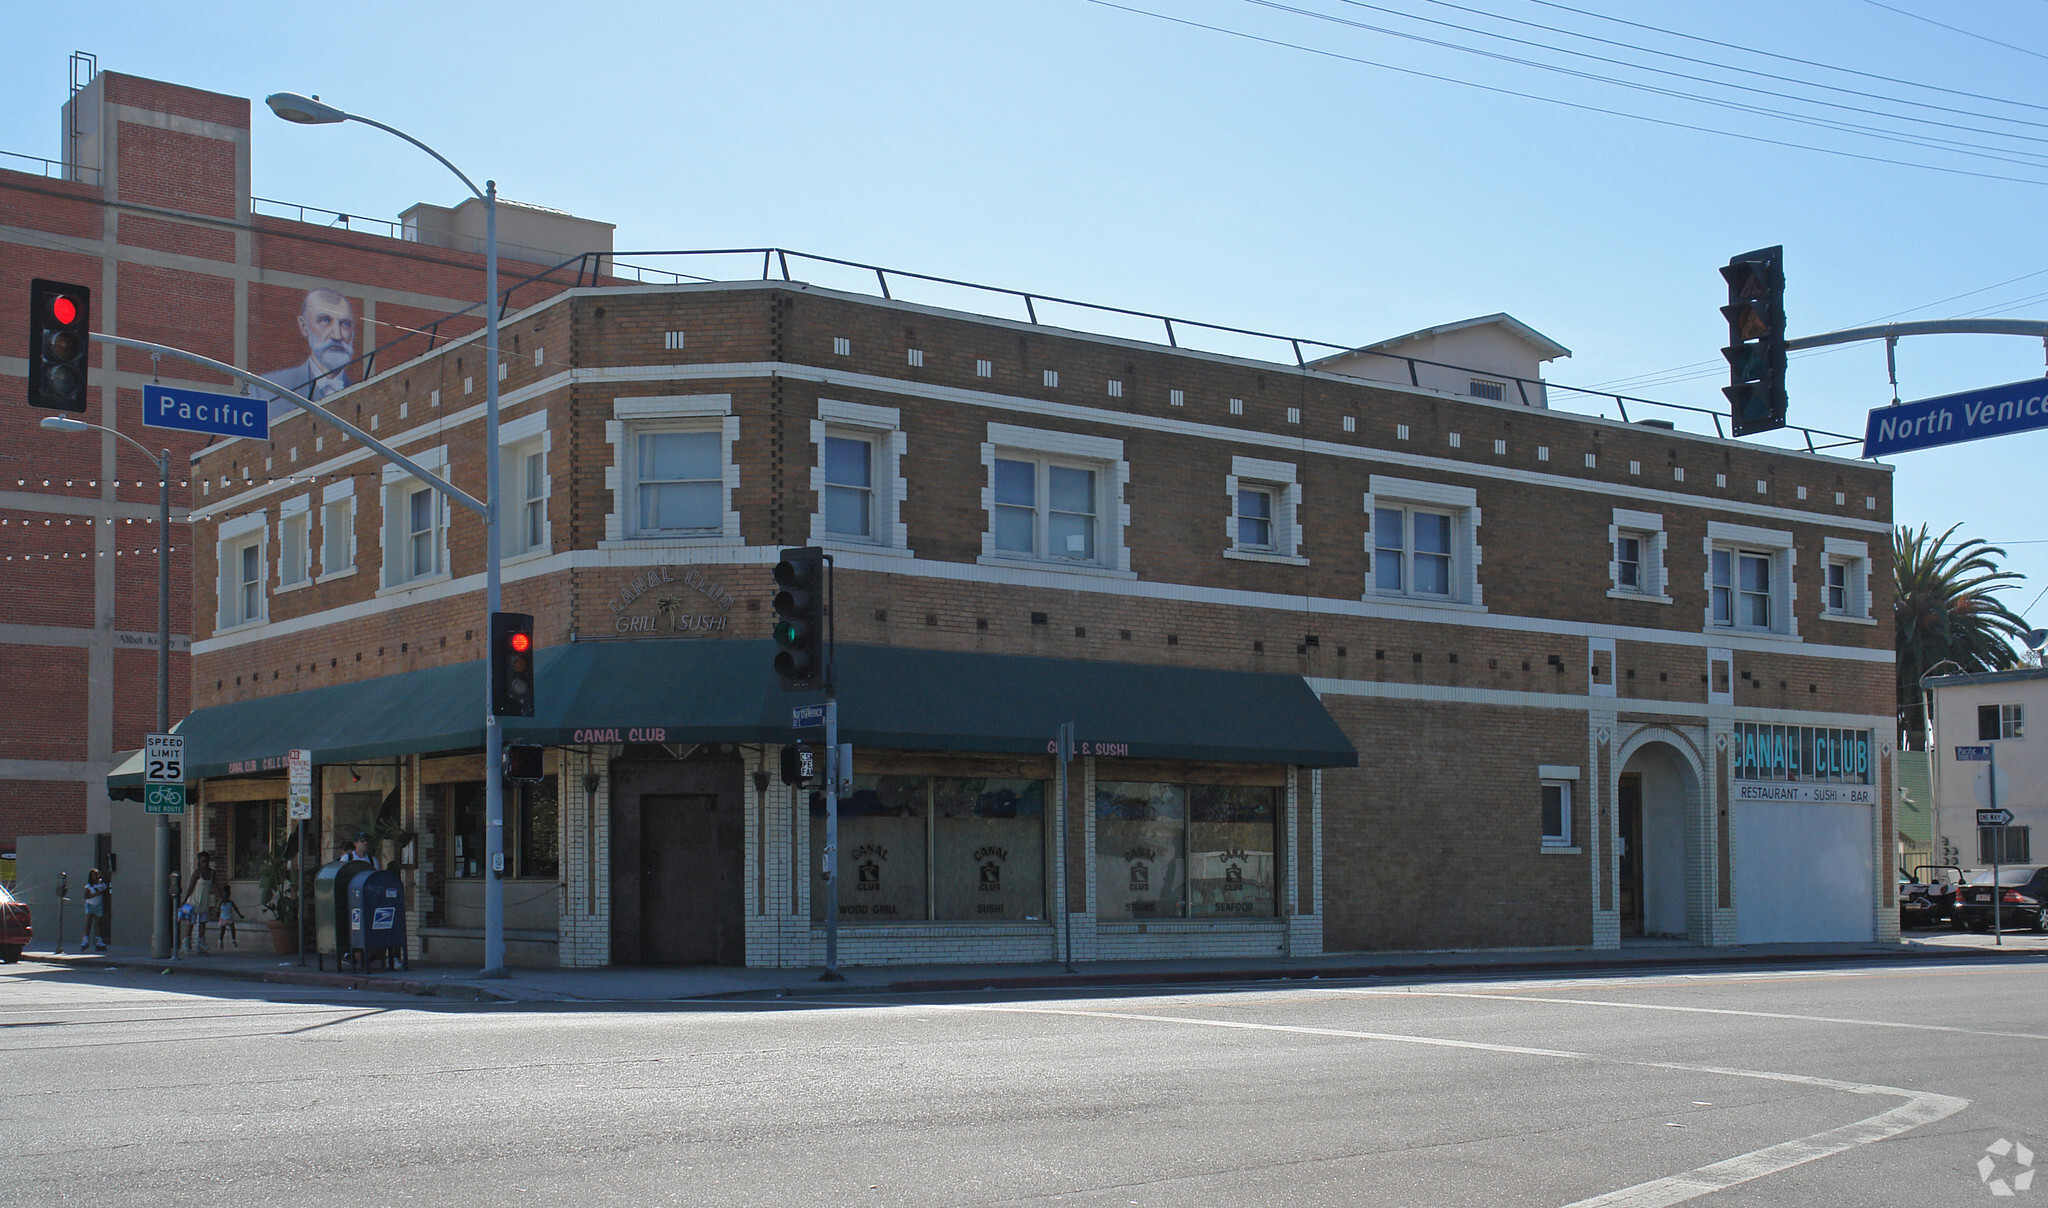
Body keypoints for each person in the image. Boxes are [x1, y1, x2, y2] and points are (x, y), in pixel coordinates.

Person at [257, 288, 357, 421]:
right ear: (304, 326)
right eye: (325, 321)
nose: (337, 335)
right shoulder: (265, 391)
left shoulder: (366, 394)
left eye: (345, 324)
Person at [181, 852, 215, 954]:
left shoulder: (212, 873)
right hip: (194, 902)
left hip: (204, 902)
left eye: (207, 861)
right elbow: (190, 887)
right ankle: (186, 943)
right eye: (203, 861)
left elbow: (216, 886)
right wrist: (184, 900)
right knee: (190, 922)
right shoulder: (197, 873)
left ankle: (201, 943)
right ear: (199, 862)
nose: (206, 864)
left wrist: (222, 898)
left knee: (202, 923)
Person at [78, 868, 109, 952]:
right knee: (89, 921)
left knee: (98, 923)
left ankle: (99, 940)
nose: (95, 877)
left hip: (99, 905)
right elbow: (86, 896)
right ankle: (85, 940)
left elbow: (106, 894)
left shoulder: (102, 885)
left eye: (96, 875)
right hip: (90, 904)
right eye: (93, 875)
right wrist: (95, 894)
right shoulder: (89, 886)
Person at [216, 882, 243, 949]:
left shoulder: (231, 902)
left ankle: (233, 940)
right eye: (226, 894)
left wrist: (240, 915)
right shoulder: (221, 902)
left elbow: (236, 909)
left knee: (232, 929)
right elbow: (217, 909)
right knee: (222, 930)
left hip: (229, 918)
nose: (227, 896)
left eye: (228, 894)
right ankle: (220, 941)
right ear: (223, 894)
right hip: (223, 918)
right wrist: (217, 913)